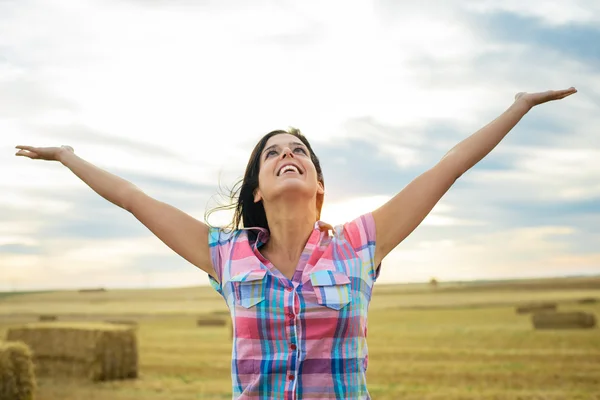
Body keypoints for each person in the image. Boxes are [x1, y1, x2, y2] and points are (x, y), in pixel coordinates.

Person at [15, 87, 577, 399]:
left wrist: (517, 106)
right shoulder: (225, 254)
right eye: (274, 152)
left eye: (300, 151)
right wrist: (69, 157)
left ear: (319, 187)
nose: (289, 155)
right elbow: (133, 198)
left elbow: (448, 166)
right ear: (258, 189)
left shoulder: (360, 245)